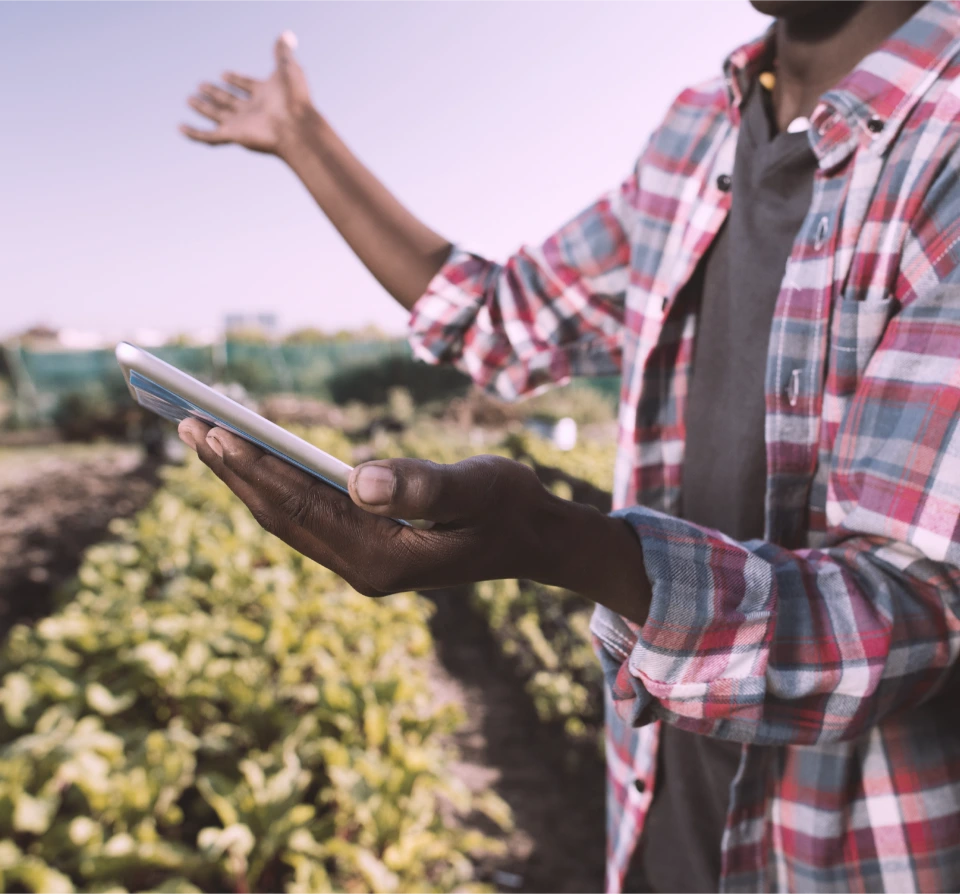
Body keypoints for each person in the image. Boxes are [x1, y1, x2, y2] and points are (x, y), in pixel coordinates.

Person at [177, 0, 960, 890]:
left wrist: (557, 541)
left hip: (848, 854)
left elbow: (922, 616)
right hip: (664, 815)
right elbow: (501, 319)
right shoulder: (701, 130)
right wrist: (302, 137)